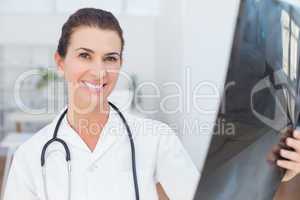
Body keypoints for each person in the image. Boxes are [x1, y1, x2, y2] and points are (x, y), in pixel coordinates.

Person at [3, 8, 199, 200]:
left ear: (120, 64)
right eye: (85, 55)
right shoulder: (29, 156)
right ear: (61, 63)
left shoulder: (158, 140)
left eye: (110, 58)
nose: (99, 71)